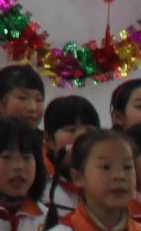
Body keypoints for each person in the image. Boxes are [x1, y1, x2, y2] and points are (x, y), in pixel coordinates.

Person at [39, 95, 100, 223]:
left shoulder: (104, 180)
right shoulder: (37, 182)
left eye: (89, 131)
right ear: (48, 139)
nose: (82, 137)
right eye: (71, 130)